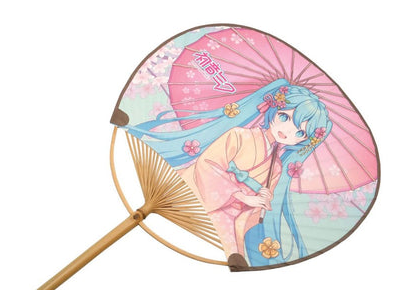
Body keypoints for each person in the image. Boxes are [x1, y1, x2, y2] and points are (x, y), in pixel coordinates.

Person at [127, 79, 332, 266]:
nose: (287, 131)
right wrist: (241, 195)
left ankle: (234, 255)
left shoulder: (275, 167)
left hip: (231, 211)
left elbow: (252, 209)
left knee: (231, 238)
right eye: (284, 117)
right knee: (222, 226)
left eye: (299, 132)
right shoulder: (239, 136)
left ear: (303, 140)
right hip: (197, 188)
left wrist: (262, 199)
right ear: (273, 109)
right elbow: (208, 164)